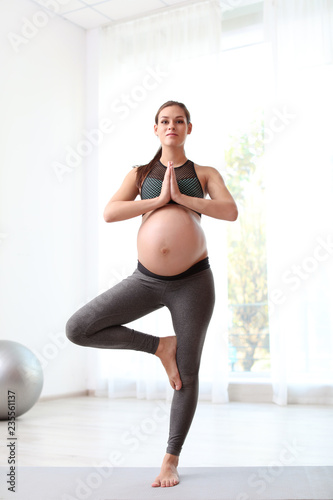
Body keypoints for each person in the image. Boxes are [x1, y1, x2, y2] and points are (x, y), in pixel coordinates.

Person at [66, 100, 238, 488]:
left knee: (187, 375)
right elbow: (111, 212)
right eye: (165, 121)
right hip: (145, 280)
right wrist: (158, 201)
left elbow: (229, 211)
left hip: (193, 282)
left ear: (189, 128)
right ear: (156, 129)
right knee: (79, 327)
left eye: (179, 121)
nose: (171, 126)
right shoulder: (141, 173)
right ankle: (160, 346)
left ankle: (170, 461)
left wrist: (183, 199)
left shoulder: (203, 173)